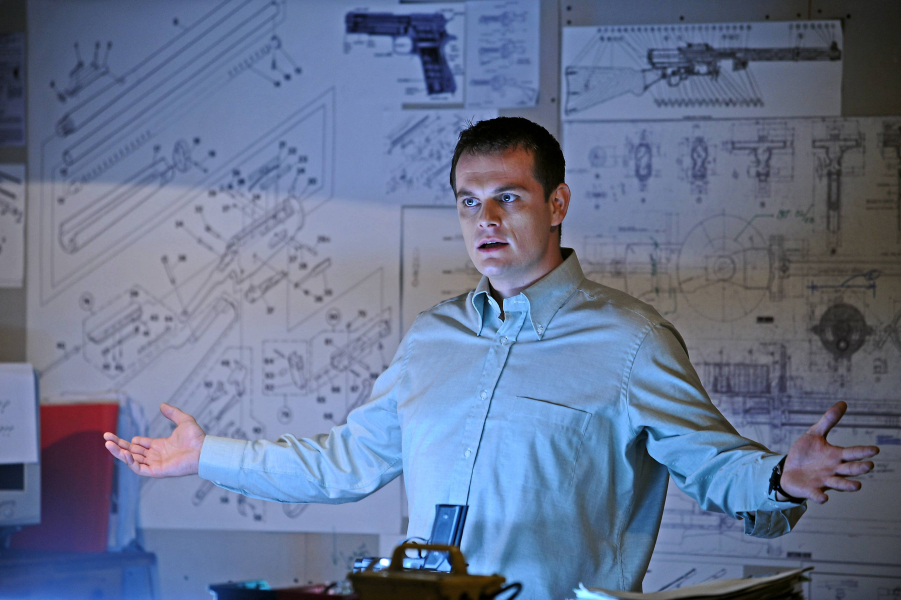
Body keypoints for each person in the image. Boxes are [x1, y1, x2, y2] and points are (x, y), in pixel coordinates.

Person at [104, 117, 879, 599]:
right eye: (468, 201)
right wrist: (205, 456)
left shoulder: (631, 340)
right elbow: (344, 464)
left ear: (556, 203)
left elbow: (714, 468)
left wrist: (782, 477)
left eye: (508, 196)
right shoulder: (431, 339)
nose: (486, 219)